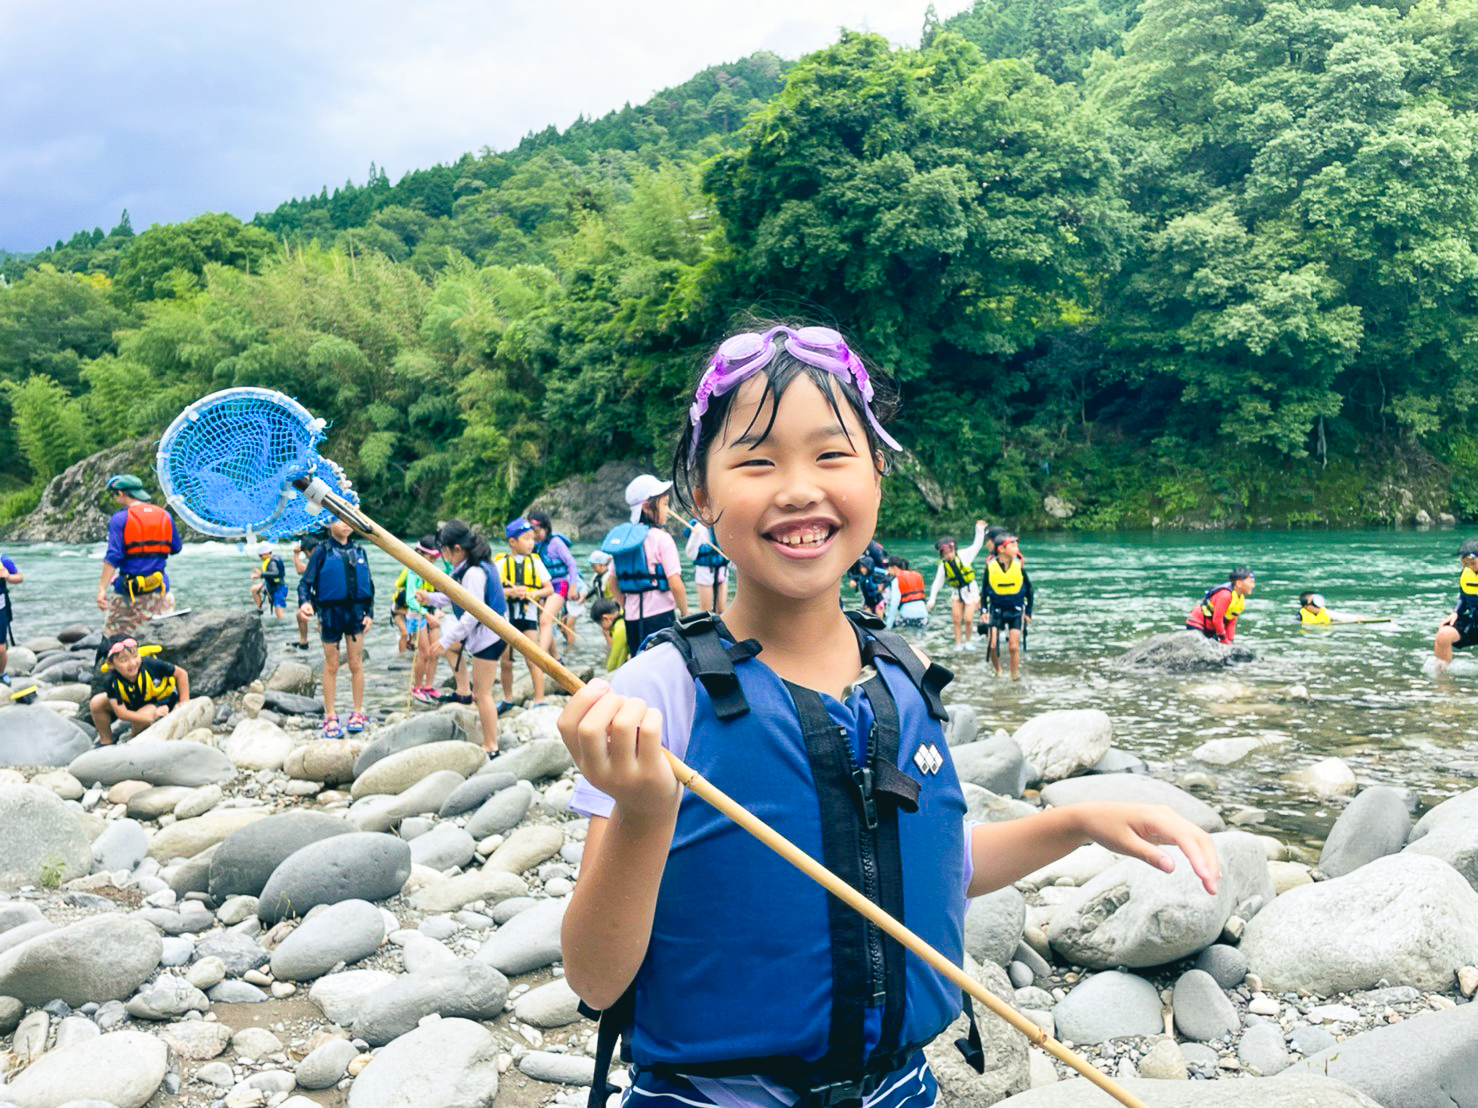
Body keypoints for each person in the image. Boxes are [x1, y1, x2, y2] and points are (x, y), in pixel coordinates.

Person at [558, 322, 1220, 1108]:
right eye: (757, 460)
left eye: (832, 455)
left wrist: (1077, 825)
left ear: (877, 473)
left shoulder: (902, 678)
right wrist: (641, 812)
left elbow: (932, 869)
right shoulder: (659, 693)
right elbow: (596, 977)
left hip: (900, 1089)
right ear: (702, 494)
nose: (799, 487)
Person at [419, 521, 508, 754]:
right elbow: (456, 598)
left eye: (445, 551)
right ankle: (491, 740)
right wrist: (430, 599)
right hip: (492, 634)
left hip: (490, 638)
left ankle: (492, 745)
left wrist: (446, 640)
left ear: (457, 548)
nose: (445, 556)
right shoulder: (472, 567)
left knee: (482, 694)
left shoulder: (474, 573)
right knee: (482, 692)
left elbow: (471, 614)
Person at [299, 517, 375, 737]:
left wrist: (369, 613)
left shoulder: (360, 551)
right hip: (330, 614)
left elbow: (369, 585)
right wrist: (305, 603)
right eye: (338, 520)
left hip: (356, 615)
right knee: (332, 665)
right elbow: (305, 584)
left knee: (356, 664)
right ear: (328, 524)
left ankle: (358, 711)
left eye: (348, 519)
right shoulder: (321, 552)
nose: (345, 523)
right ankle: (330, 715)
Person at [602, 474, 689, 651]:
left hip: (632, 620)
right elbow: (675, 582)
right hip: (661, 617)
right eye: (664, 504)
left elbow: (612, 582)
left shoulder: (624, 541)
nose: (668, 511)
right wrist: (685, 612)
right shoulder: (662, 539)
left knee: (640, 661)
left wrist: (625, 604)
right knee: (664, 666)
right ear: (647, 507)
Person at [98, 474, 183, 637]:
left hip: (129, 594)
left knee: (114, 640)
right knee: (161, 641)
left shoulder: (120, 519)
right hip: (161, 592)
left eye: (115, 495)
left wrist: (102, 588)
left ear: (121, 493)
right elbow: (176, 548)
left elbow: (113, 556)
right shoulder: (165, 516)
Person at [496, 519, 553, 710]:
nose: (531, 543)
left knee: (533, 658)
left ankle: (540, 698)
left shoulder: (536, 563)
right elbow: (493, 592)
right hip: (506, 618)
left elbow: (549, 589)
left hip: (528, 617)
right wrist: (510, 592)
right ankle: (508, 699)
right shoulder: (501, 564)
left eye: (532, 539)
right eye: (526, 539)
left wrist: (533, 594)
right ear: (513, 542)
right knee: (506, 660)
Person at [88, 638, 190, 744]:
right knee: (97, 702)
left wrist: (184, 701)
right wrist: (150, 717)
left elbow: (181, 674)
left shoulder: (151, 665)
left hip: (158, 700)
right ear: (111, 664)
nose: (132, 663)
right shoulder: (112, 682)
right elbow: (122, 713)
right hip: (133, 702)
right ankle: (107, 741)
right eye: (124, 660)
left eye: (135, 656)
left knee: (140, 719)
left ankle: (134, 742)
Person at [927, 520, 987, 651]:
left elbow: (977, 545)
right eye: (945, 554)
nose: (949, 555)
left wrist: (979, 530)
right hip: (957, 593)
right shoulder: (943, 566)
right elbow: (937, 583)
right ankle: (958, 643)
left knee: (969, 619)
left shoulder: (965, 555)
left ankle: (969, 641)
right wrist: (932, 599)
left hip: (971, 592)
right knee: (956, 619)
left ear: (955, 549)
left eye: (950, 552)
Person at [529, 511, 582, 656]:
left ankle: (540, 656)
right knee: (544, 623)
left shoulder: (556, 543)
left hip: (560, 586)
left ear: (546, 529)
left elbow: (571, 563)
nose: (534, 534)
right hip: (543, 588)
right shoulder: (533, 546)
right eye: (531, 531)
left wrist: (573, 586)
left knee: (545, 620)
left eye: (537, 531)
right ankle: (557, 658)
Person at [984, 536, 1034, 680]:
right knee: (992, 644)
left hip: (1016, 610)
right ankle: (998, 671)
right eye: (1013, 546)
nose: (1017, 549)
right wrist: (984, 611)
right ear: (1002, 549)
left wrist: (1028, 612)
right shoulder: (990, 567)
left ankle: (1014, 676)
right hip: (996, 609)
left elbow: (1030, 590)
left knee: (1013, 646)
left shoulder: (1019, 566)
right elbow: (984, 590)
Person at [1435, 540, 1478, 669]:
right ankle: (1443, 682)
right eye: (1465, 564)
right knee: (1444, 634)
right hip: (1475, 622)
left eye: (1473, 563)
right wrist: (1456, 612)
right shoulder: (1466, 574)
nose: (1469, 567)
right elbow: (1464, 597)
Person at [1186, 566, 1255, 646]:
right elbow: (1217, 619)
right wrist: (1223, 638)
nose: (1253, 586)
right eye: (1250, 582)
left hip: (1211, 628)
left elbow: (1232, 621)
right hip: (1198, 625)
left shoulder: (1240, 598)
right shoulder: (1225, 595)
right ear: (1239, 583)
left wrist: (1230, 640)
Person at [685, 516, 730, 615]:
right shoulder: (699, 527)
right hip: (705, 571)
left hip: (722, 570)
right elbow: (690, 554)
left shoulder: (723, 525)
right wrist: (694, 537)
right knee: (706, 610)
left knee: (722, 609)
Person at [883, 557, 929, 629]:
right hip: (923, 616)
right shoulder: (918, 575)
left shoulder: (896, 580)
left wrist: (888, 625)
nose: (887, 571)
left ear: (894, 567)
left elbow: (894, 603)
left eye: (888, 568)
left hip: (907, 618)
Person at [292, 536, 319, 651]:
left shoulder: (319, 559)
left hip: (328, 597)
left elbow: (301, 571)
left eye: (305, 552)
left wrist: (296, 555)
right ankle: (304, 642)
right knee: (300, 615)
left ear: (309, 551)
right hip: (319, 595)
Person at [589, 597, 630, 672]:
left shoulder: (619, 629)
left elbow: (615, 657)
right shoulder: (624, 618)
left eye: (600, 624)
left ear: (606, 618)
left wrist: (609, 674)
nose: (602, 628)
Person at [250, 542, 289, 621]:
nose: (260, 558)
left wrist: (261, 574)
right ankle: (260, 609)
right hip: (270, 586)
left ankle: (283, 627)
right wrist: (260, 574)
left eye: (260, 555)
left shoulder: (273, 562)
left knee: (279, 612)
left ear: (265, 554)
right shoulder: (271, 560)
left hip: (279, 589)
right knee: (255, 589)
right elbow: (270, 573)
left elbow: (276, 573)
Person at [0, 548, 21, 686]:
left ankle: (1, 673)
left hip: (1, 608)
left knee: (1, 649)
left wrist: (7, 576)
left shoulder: (4, 560)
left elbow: (19, 577)